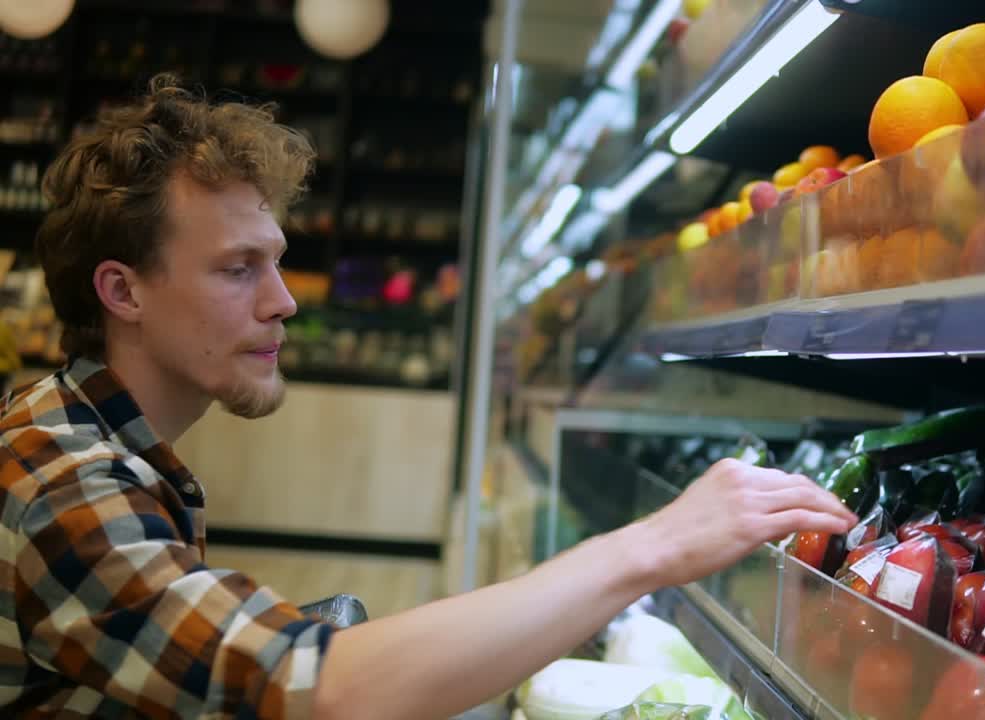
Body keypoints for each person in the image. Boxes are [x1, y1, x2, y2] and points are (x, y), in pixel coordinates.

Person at [0, 75, 855, 720]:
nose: (284, 300)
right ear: (124, 292)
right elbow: (316, 690)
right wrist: (657, 545)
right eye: (237, 269)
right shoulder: (61, 484)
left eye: (275, 259)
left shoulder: (98, 440)